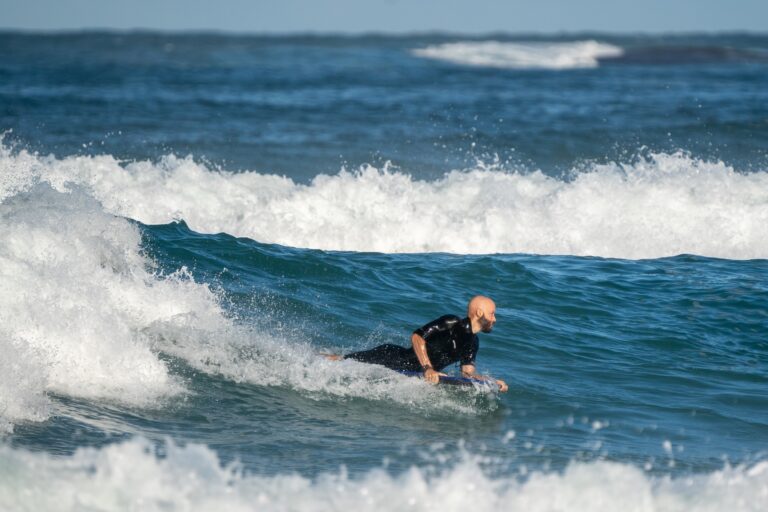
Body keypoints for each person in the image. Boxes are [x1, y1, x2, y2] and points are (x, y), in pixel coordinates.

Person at [327, 296, 508, 392]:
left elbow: (468, 374)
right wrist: (428, 368)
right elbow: (417, 337)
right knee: (338, 361)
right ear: (478, 312)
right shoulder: (451, 322)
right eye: (492, 314)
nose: (495, 319)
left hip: (411, 373)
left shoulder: (473, 342)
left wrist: (491, 382)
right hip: (390, 358)